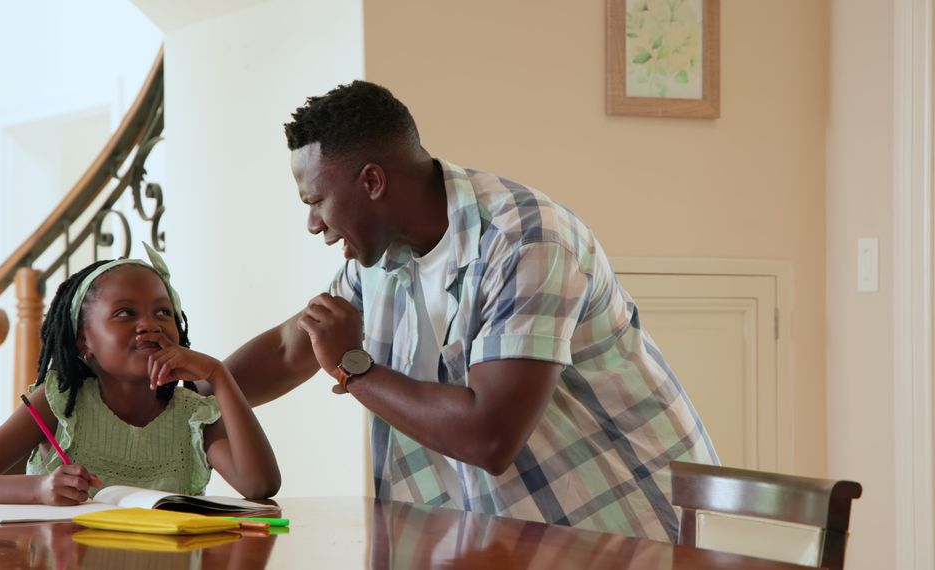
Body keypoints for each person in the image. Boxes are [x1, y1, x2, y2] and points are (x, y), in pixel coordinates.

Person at [215, 80, 718, 542]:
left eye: (317, 200)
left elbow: (490, 436)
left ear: (372, 182)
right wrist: (180, 393)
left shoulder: (527, 241)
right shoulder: (381, 256)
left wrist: (353, 368)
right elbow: (292, 349)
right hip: (511, 538)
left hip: (626, 533)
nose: (312, 224)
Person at [0, 245, 281, 506]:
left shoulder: (193, 413)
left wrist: (219, 376)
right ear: (85, 342)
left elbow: (260, 486)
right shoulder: (60, 405)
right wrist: (38, 489)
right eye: (126, 313)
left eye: (163, 312)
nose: (150, 325)